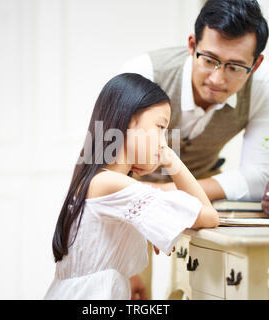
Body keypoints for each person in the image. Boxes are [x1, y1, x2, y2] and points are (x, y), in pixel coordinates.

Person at [120, 0, 269, 299]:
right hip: (130, 192)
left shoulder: (265, 85)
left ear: (256, 63)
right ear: (192, 44)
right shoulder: (142, 73)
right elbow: (103, 165)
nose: (218, 79)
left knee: (202, 287)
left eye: (235, 67)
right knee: (130, 294)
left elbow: (260, 176)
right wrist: (126, 266)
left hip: (201, 192)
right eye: (209, 59)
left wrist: (170, 193)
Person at [44, 73, 219, 300]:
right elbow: (209, 216)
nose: (163, 141)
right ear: (127, 121)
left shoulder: (99, 180)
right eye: (160, 127)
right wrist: (171, 159)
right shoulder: (111, 184)